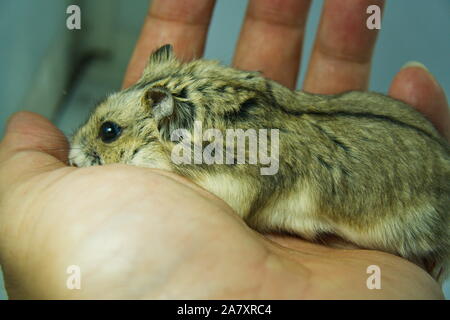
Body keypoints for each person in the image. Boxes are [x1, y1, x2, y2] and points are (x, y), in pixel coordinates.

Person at [0, 0, 448, 299]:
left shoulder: (247, 155)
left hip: (415, 214)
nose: (87, 148)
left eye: (111, 133)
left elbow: (241, 199)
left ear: (166, 116)